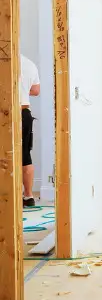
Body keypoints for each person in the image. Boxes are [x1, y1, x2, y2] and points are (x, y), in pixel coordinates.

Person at [20, 54, 40, 208]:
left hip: (6, 113)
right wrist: (23, 90)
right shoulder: (29, 63)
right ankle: (28, 196)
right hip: (24, 113)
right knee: (25, 155)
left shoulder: (5, 63)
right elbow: (36, 90)